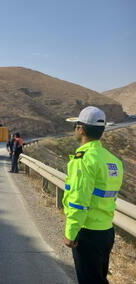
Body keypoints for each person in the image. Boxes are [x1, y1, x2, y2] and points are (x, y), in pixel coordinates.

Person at [63, 106, 123, 284]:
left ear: (80, 129)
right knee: (99, 278)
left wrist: (71, 232)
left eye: (76, 126)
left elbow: (79, 200)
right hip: (106, 231)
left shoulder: (84, 159)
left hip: (87, 232)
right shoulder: (113, 160)